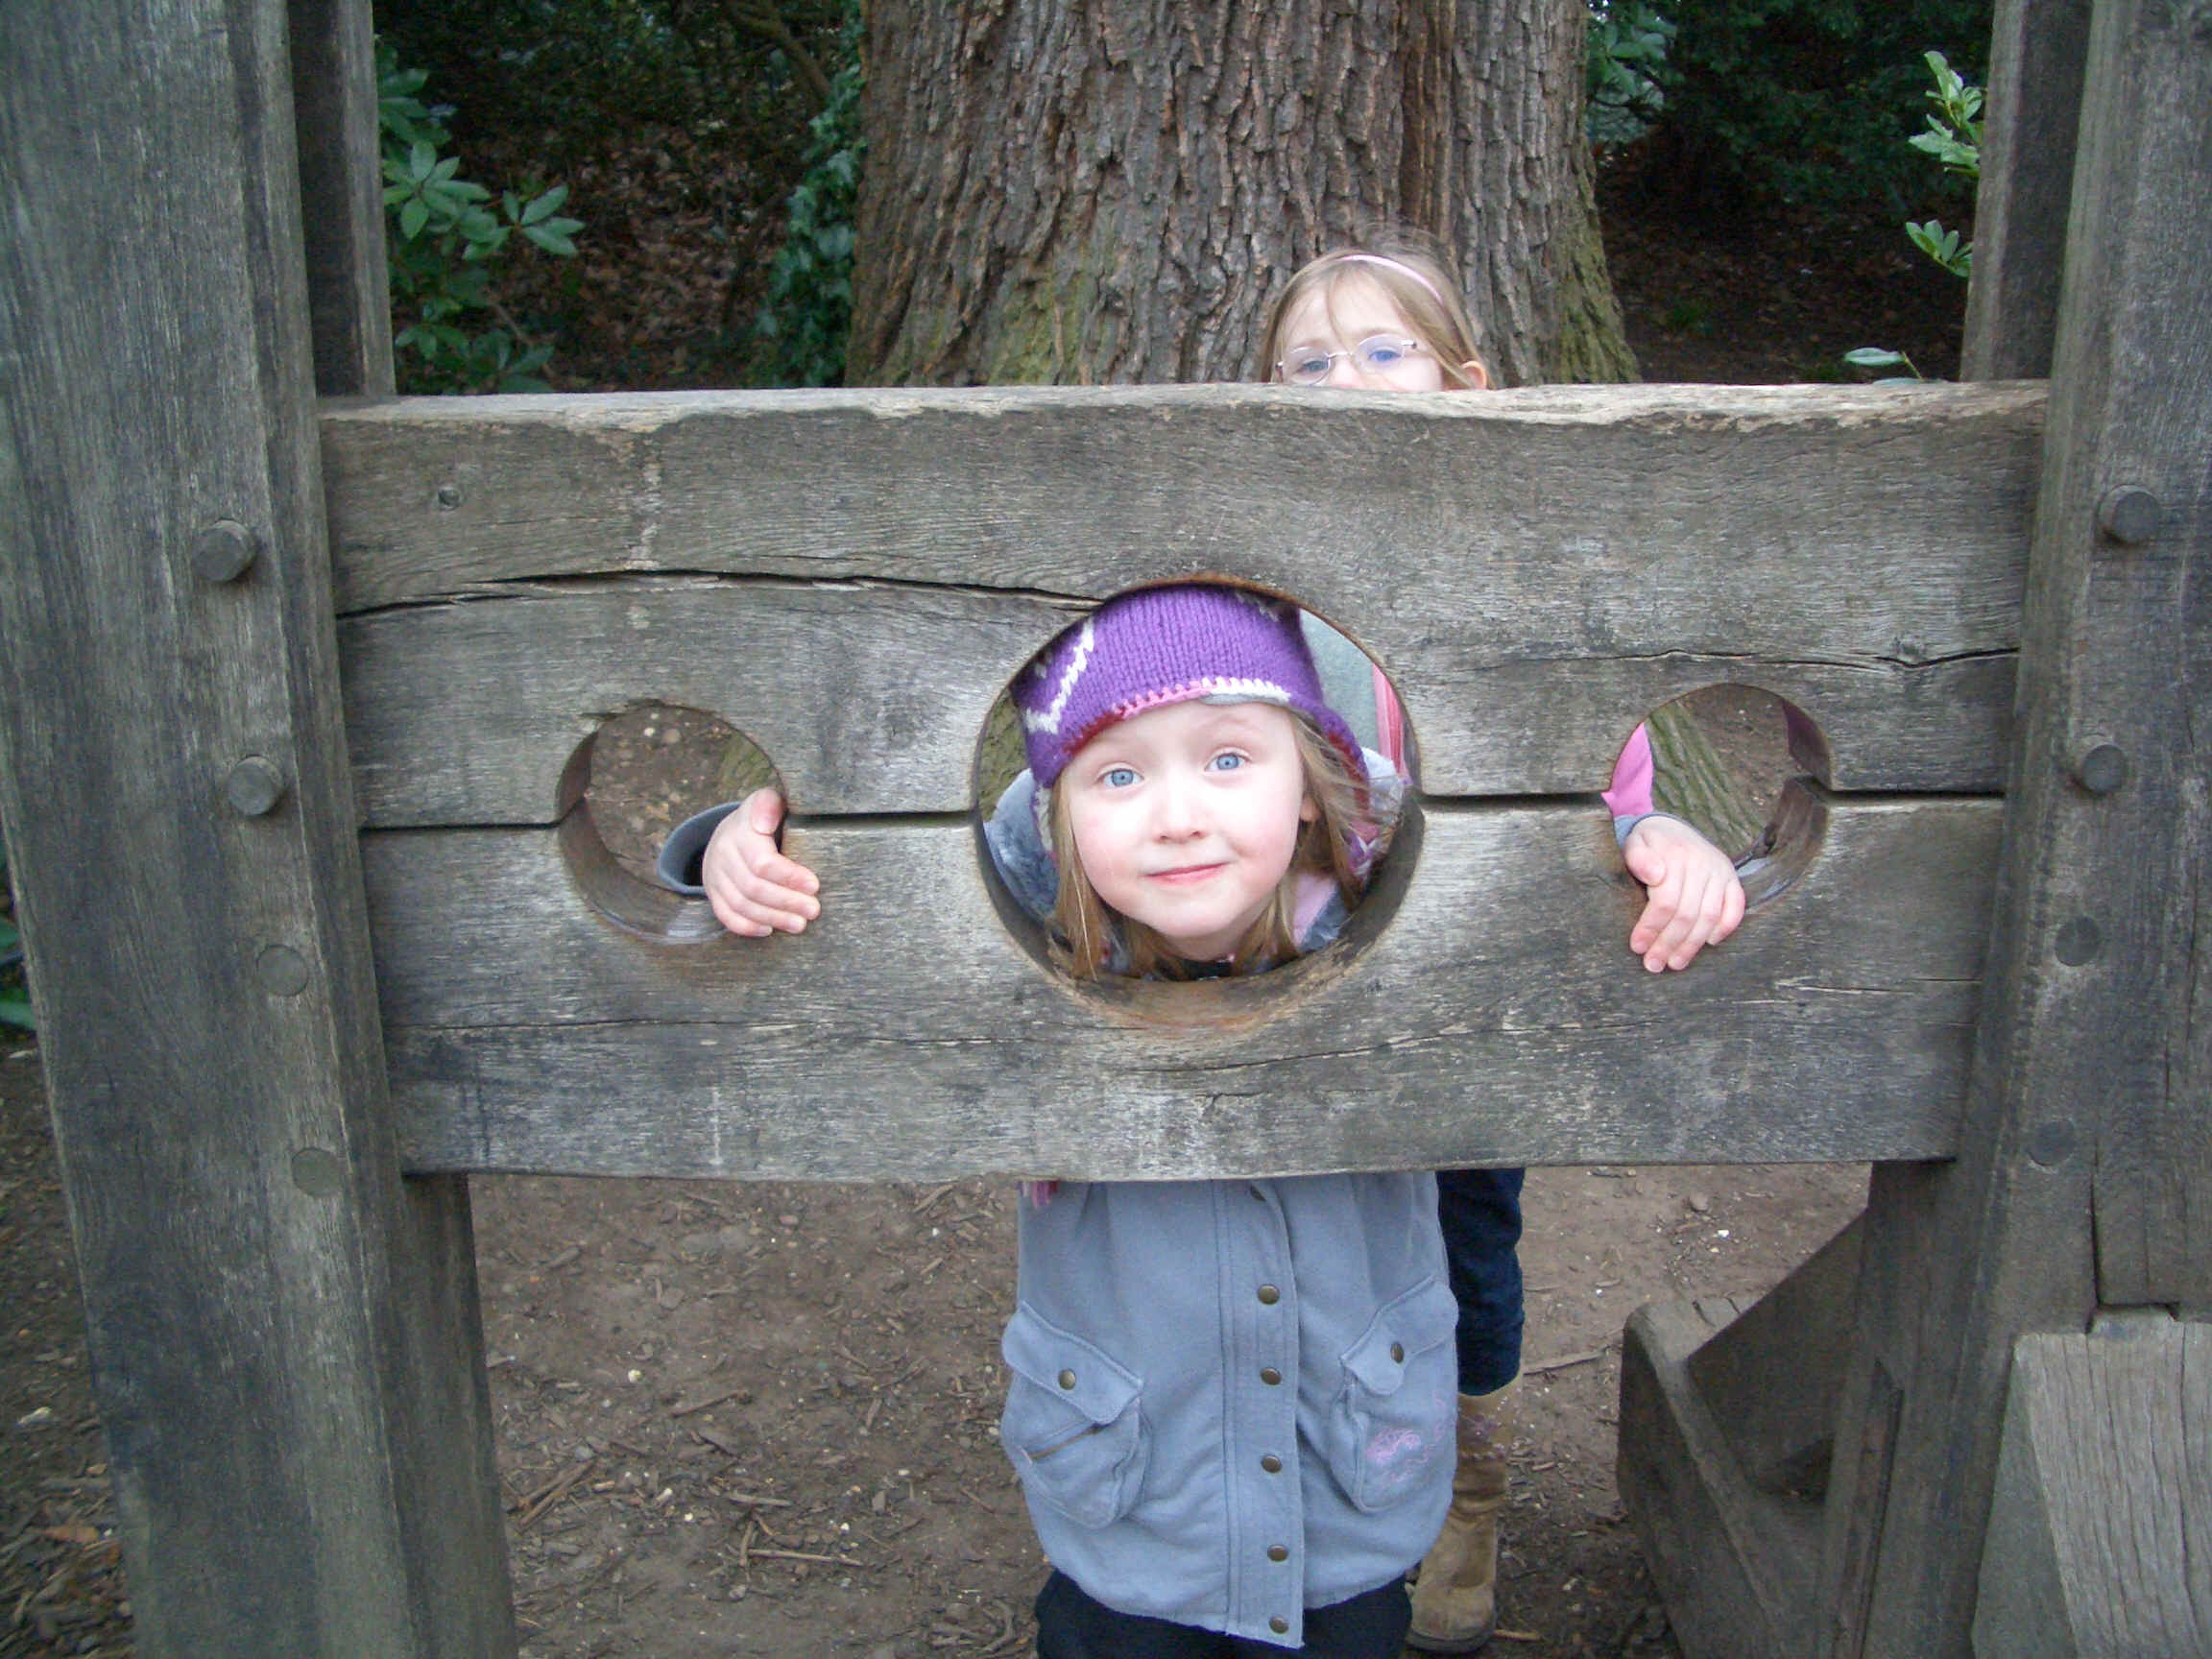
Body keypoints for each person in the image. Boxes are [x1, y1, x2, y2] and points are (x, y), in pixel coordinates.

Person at [664, 585, 1445, 1654]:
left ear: (1311, 786)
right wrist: (733, 850)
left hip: (1349, 1494)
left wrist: (1652, 843)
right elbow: (857, 882)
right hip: (1130, 1512)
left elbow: (1539, 829)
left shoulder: (1384, 886)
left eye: (1228, 759)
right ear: (1056, 811)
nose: (1178, 815)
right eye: (1117, 774)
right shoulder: (1033, 899)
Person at [1259, 242, 1745, 1654]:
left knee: (1467, 1242)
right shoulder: (1241, 586)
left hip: (1482, 998)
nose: (1344, 378)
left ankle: (1464, 1491)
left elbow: (1609, 760)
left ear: (1469, 388)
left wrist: (1655, 838)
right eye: (1309, 362)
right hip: (1297, 987)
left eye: (1382, 349)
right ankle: (1300, 1486)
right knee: (1302, 1239)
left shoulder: (1533, 582)